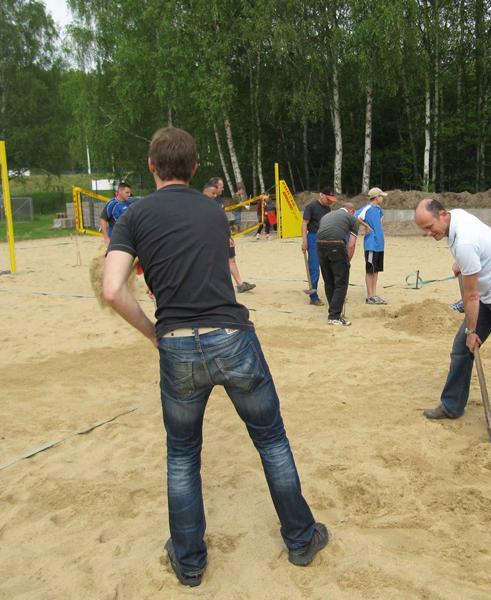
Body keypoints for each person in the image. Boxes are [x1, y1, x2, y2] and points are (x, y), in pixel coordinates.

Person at [102, 126, 328, 587]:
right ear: (195, 168)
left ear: (151, 167)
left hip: (177, 344)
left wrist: (154, 333)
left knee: (183, 456)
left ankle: (189, 561)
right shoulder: (213, 210)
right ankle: (301, 540)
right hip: (232, 336)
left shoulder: (134, 215)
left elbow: (112, 289)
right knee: (271, 441)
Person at [414, 199, 491, 451]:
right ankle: (452, 405)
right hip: (489, 294)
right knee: (460, 350)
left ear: (442, 215)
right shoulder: (454, 220)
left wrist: (471, 331)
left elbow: (471, 297)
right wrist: (465, 265)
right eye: (423, 229)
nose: (428, 233)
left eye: (429, 227)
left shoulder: (464, 240)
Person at [204, 179, 256, 293]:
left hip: (223, 234)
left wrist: (228, 236)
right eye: (221, 186)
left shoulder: (217, 198)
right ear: (214, 186)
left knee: (231, 259)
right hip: (214, 236)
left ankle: (240, 284)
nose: (223, 188)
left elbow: (221, 219)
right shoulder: (206, 200)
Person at [316, 202, 359, 326]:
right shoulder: (352, 219)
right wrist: (347, 262)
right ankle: (334, 316)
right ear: (352, 210)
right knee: (341, 282)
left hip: (319, 245)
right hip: (336, 245)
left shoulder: (327, 215)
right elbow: (351, 245)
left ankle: (334, 312)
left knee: (328, 281)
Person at [301, 187, 337, 306]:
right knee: (314, 268)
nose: (330, 201)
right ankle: (314, 296)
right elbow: (304, 224)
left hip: (325, 239)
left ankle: (331, 293)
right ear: (322, 195)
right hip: (313, 238)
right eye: (328, 199)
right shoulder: (311, 207)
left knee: (328, 267)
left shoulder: (328, 208)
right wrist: (305, 241)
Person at [355, 187, 388, 305]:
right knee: (370, 270)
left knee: (376, 270)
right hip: (371, 244)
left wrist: (379, 222)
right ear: (376, 197)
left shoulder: (378, 209)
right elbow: (355, 216)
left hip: (379, 244)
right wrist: (367, 226)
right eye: (381, 196)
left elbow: (382, 215)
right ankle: (369, 296)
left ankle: (374, 294)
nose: (382, 198)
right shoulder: (367, 208)